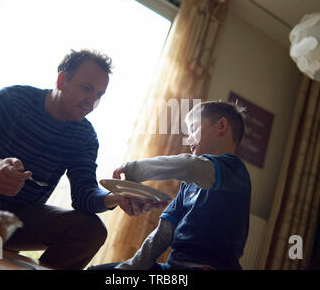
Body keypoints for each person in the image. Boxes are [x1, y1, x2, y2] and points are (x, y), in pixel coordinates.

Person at [0, 49, 164, 269]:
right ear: (62, 80)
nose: (92, 102)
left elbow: (84, 195)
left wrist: (115, 198)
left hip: (15, 222)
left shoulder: (84, 136)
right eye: (86, 88)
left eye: (99, 94)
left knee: (91, 230)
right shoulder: (15, 100)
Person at [89, 100, 251, 270]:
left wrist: (133, 169)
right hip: (174, 267)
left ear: (221, 126)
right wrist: (132, 266)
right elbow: (164, 232)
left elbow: (188, 166)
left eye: (194, 128)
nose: (189, 139)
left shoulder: (234, 171)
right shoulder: (188, 185)